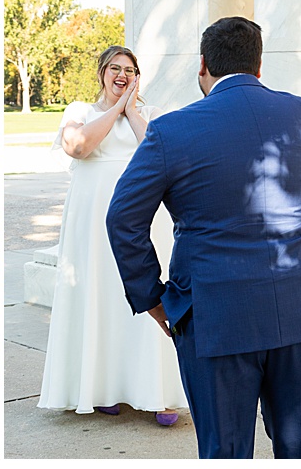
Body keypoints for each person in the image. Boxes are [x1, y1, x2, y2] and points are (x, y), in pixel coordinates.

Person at [106, 16, 301, 458]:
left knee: (225, 450)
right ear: (259, 67)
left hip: (216, 314)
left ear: (202, 65)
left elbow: (123, 217)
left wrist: (151, 297)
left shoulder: (171, 131)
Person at [37, 46, 187, 425]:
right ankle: (102, 387)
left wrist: (131, 110)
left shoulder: (151, 115)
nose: (122, 75)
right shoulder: (79, 113)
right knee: (99, 295)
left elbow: (159, 151)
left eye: (130, 70)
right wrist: (114, 110)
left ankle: (160, 394)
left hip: (141, 217)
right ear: (102, 72)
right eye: (115, 69)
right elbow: (79, 146)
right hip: (90, 222)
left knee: (144, 292)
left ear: (138, 77)